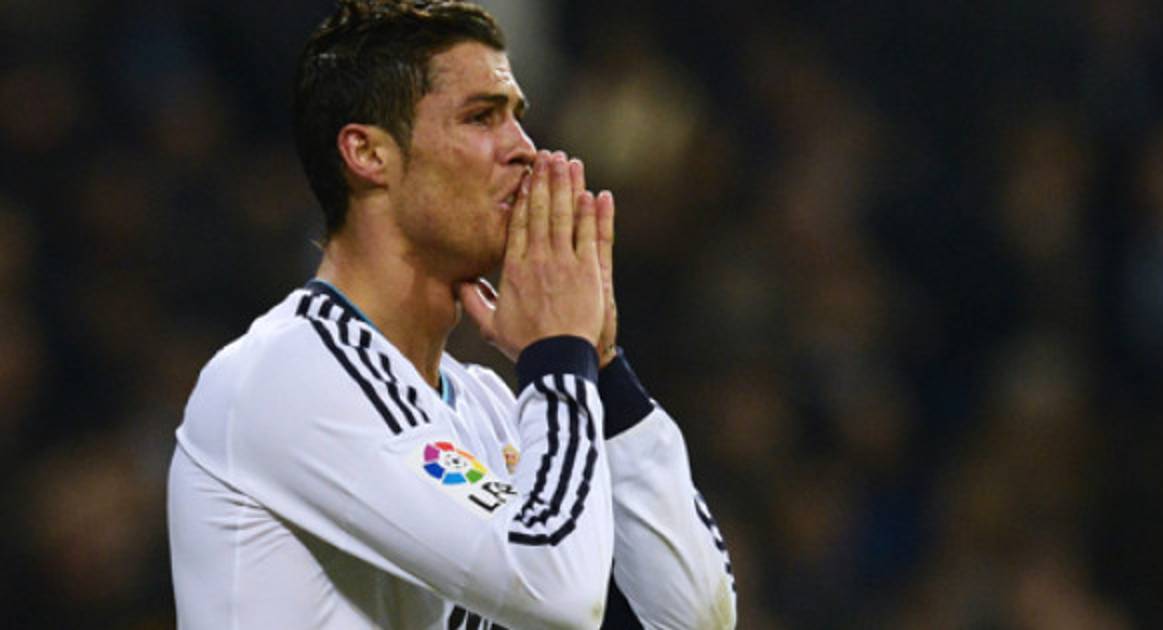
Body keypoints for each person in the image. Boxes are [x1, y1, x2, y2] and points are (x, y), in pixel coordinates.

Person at [166, 1, 736, 628]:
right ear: (367, 153)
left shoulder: (487, 410)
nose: (524, 149)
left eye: (517, 117)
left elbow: (691, 621)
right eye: (481, 117)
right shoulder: (284, 375)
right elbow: (557, 591)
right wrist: (559, 354)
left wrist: (601, 371)